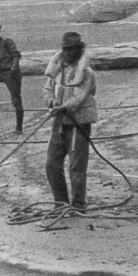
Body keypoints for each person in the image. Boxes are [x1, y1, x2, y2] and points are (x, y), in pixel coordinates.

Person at [43, 31, 98, 211]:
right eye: (66, 49)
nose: (68, 53)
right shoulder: (58, 70)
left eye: (72, 49)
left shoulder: (87, 73)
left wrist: (64, 107)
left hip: (78, 123)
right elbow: (47, 90)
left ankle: (78, 204)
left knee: (77, 167)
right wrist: (51, 102)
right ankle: (60, 203)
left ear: (79, 50)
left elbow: (79, 97)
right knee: (52, 164)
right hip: (59, 123)